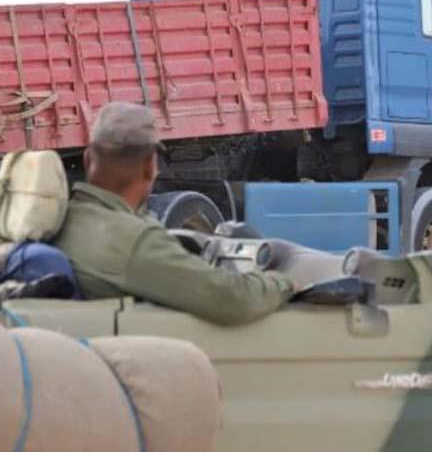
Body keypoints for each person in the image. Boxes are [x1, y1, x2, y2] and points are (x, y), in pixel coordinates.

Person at [52, 101, 297, 325]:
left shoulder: (64, 219)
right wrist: (286, 281)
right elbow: (233, 300)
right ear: (150, 167)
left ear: (86, 160)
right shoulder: (135, 241)